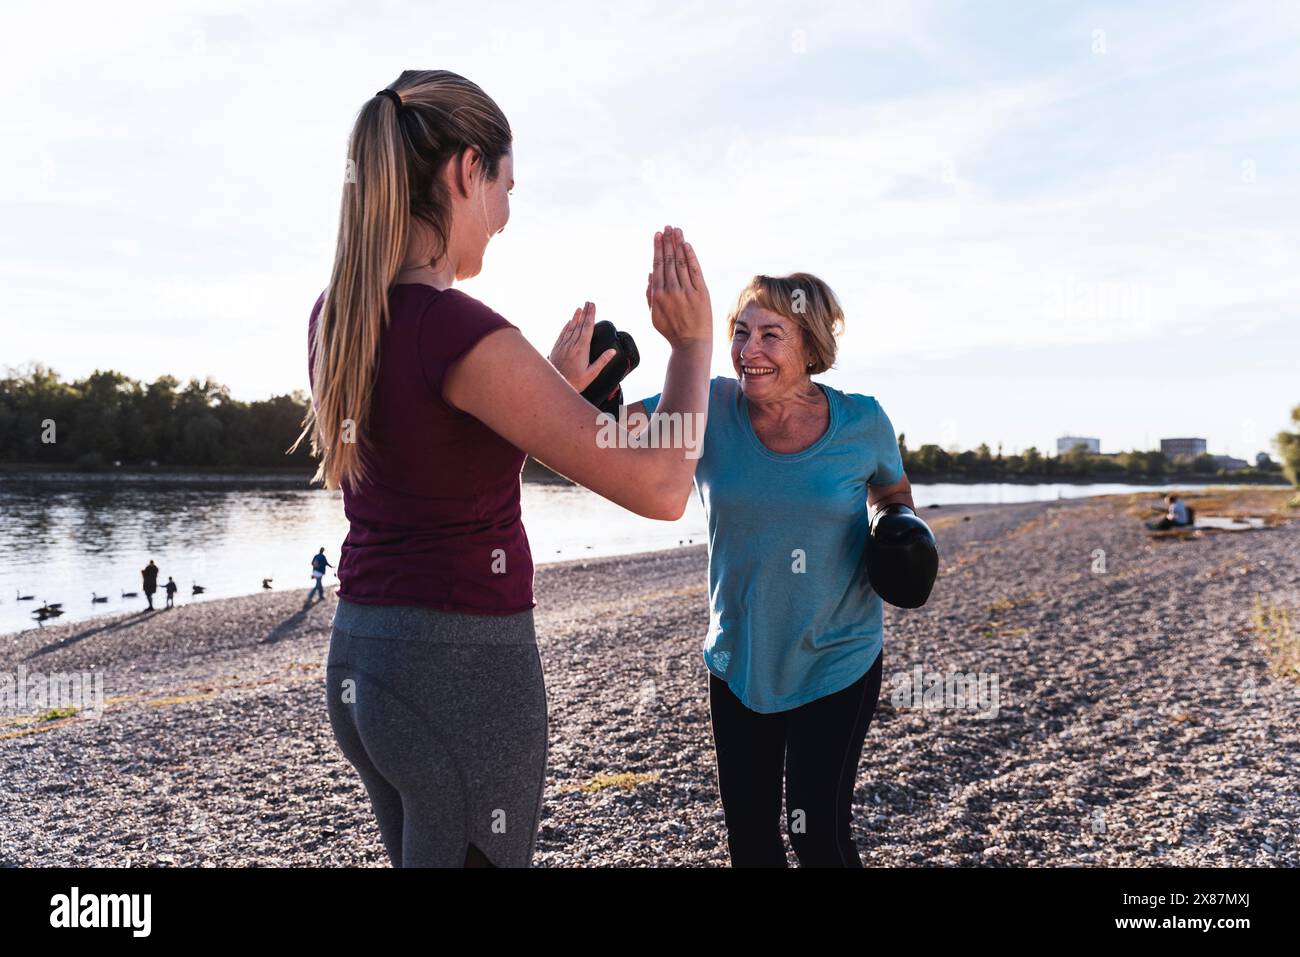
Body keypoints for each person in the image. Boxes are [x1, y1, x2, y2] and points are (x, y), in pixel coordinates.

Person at [290, 70, 713, 868]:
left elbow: (437, 465)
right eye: (507, 186)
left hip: (365, 658)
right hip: (461, 675)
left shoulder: (337, 313)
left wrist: (542, 393)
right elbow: (662, 487)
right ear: (465, 171)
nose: (508, 217)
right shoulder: (460, 329)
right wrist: (692, 343)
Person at [618, 273, 913, 867]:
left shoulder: (863, 421)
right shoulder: (708, 405)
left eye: (770, 335)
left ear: (810, 346)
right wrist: (596, 387)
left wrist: (901, 531)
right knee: (750, 842)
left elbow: (892, 493)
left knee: (819, 838)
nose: (748, 351)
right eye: (740, 332)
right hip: (738, 658)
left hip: (837, 654)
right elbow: (609, 435)